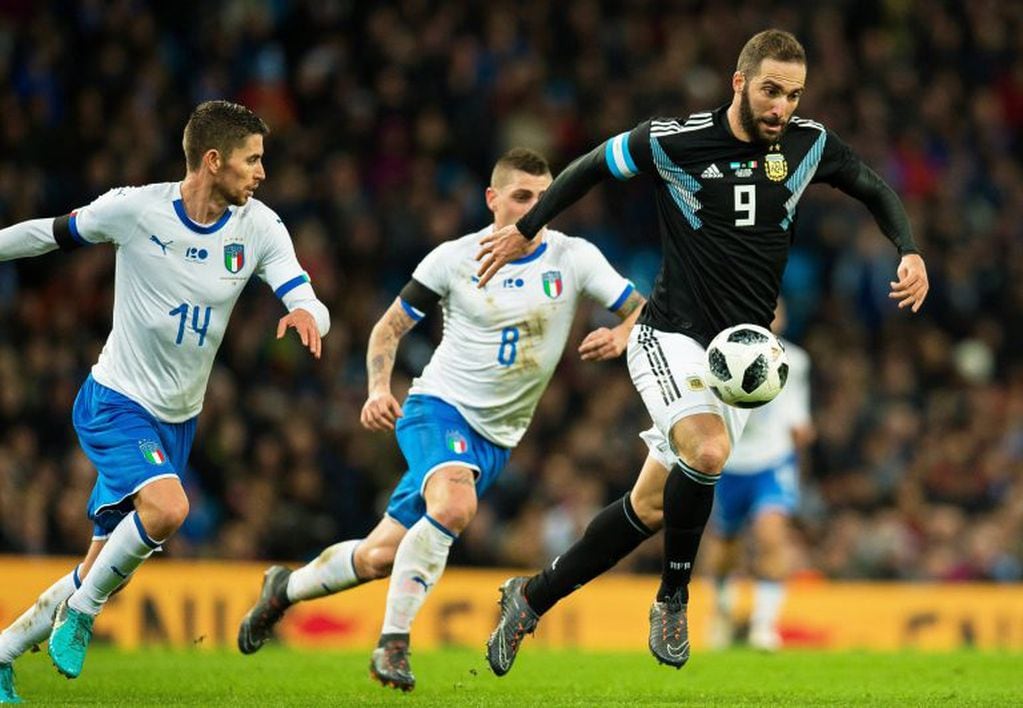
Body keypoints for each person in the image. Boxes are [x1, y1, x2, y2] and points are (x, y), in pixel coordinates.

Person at [480, 28, 928, 673]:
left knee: (653, 505)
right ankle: (674, 599)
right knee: (710, 452)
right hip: (669, 337)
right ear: (740, 83)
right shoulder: (674, 140)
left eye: (793, 94)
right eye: (770, 90)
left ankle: (531, 596)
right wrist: (527, 229)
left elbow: (873, 187)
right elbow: (589, 168)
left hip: (740, 359)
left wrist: (908, 248)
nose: (781, 106)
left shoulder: (808, 144)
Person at [236, 147, 645, 692]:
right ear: (492, 200)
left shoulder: (574, 258)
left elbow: (639, 307)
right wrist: (378, 388)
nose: (534, 208)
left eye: (544, 198)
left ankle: (281, 589)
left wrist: (621, 334)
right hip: (437, 409)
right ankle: (393, 644)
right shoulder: (453, 258)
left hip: (495, 440)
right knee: (454, 505)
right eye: (522, 197)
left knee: (380, 554)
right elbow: (387, 329)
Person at [0, 100, 330, 702]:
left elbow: (302, 288)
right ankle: (80, 615)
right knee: (169, 509)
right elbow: (48, 233)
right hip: (115, 401)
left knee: (99, 566)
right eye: (252, 160)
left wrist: (307, 312)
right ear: (213, 160)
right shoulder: (137, 209)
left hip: (178, 420)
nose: (262, 173)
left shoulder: (257, 226)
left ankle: (3, 653)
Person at [706, 301, 813, 652]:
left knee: (771, 536)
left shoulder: (795, 362)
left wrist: (799, 460)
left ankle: (764, 627)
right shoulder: (718, 354)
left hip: (772, 461)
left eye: (777, 310)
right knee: (725, 548)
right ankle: (721, 615)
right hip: (729, 464)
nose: (772, 317)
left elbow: (799, 421)